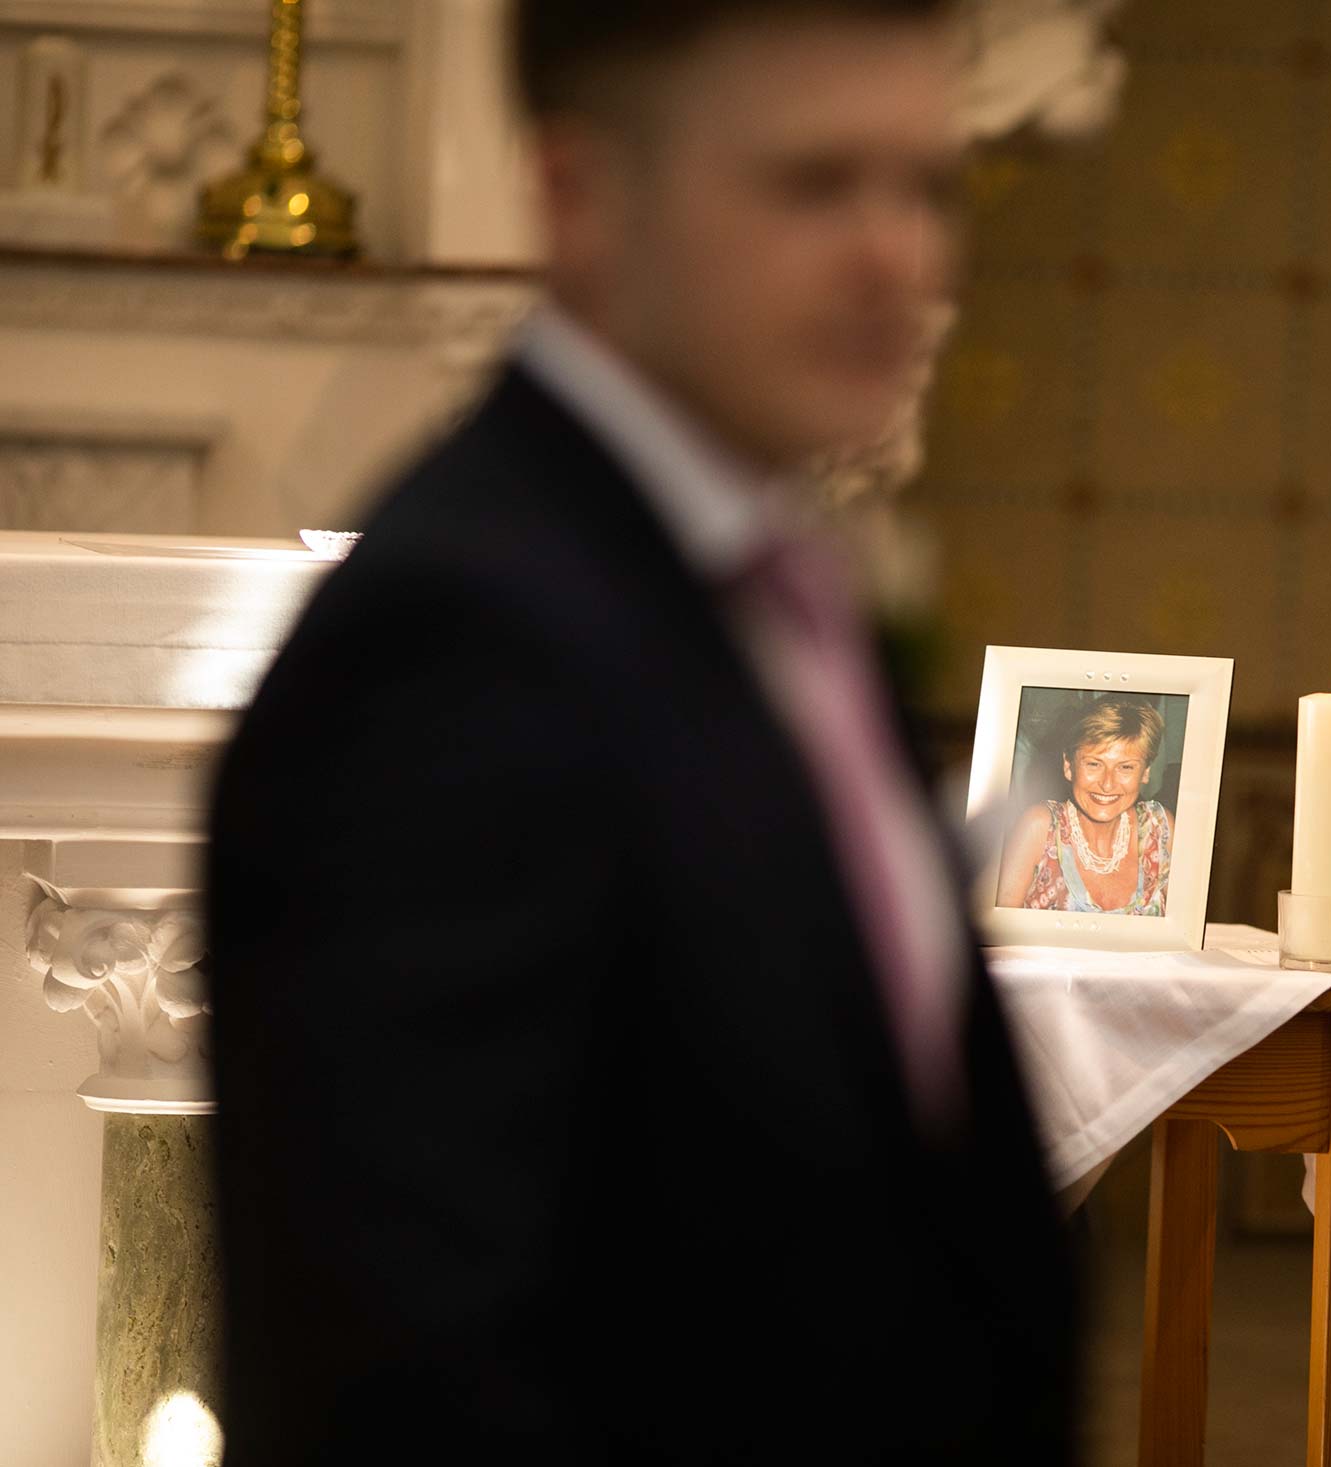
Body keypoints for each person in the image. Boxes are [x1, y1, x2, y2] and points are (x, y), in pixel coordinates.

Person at [205, 3, 1074, 1463]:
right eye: (813, 184)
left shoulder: (764, 579)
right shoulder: (450, 648)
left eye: (928, 187)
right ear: (578, 197)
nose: (899, 259)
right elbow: (410, 1371)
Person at [996, 696, 1174, 916]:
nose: (1107, 784)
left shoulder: (1159, 829)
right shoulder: (1040, 828)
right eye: (1093, 764)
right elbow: (996, 937)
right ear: (1069, 766)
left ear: (1145, 772)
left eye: (1125, 767)